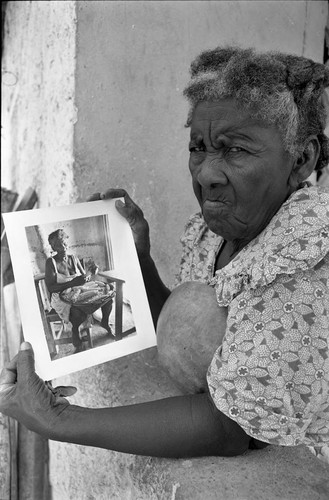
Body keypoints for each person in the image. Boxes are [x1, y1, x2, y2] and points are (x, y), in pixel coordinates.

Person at [1, 46, 328, 462]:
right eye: (198, 148)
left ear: (301, 159)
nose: (207, 174)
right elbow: (184, 328)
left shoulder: (305, 262)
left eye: (236, 150)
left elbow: (229, 428)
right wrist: (140, 263)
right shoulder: (219, 233)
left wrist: (58, 418)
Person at [45, 229, 115, 352]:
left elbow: (84, 279)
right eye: (59, 243)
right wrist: (71, 283)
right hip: (60, 296)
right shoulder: (51, 263)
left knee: (107, 299)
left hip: (79, 290)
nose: (64, 245)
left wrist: (91, 272)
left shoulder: (73, 258)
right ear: (54, 247)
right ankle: (75, 330)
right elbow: (51, 287)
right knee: (78, 312)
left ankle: (104, 322)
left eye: (64, 242)